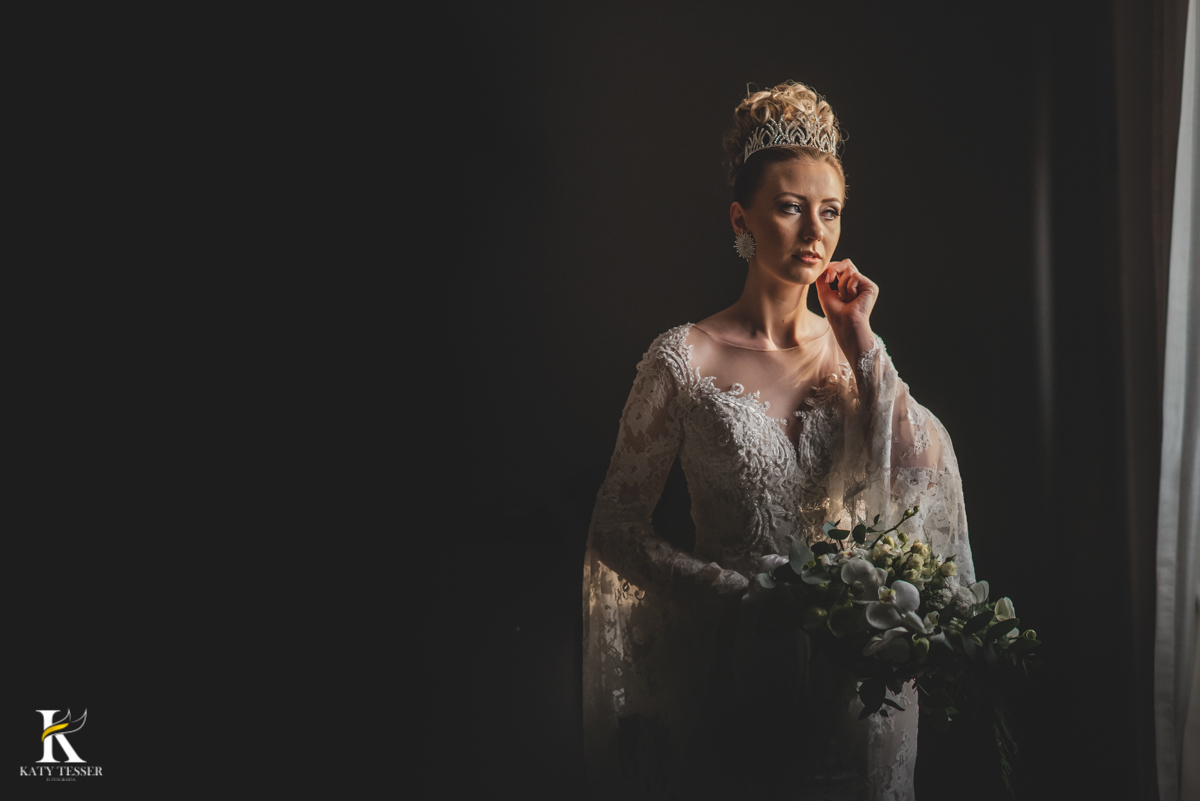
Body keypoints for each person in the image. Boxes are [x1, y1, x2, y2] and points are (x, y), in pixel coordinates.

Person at [582, 81, 976, 800]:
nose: (814, 232)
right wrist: (734, 595)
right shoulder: (684, 358)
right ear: (743, 218)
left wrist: (861, 339)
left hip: (847, 684)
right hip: (732, 678)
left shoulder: (856, 359)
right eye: (791, 207)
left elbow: (924, 473)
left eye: (829, 212)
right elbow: (615, 526)